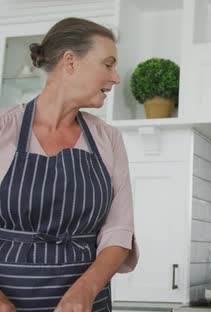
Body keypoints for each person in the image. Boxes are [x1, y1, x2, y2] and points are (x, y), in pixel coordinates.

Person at [0, 17, 138, 312]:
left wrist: (86, 290)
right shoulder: (3, 129)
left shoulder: (107, 139)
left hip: (88, 303)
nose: (116, 78)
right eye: (108, 64)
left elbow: (119, 230)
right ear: (70, 61)